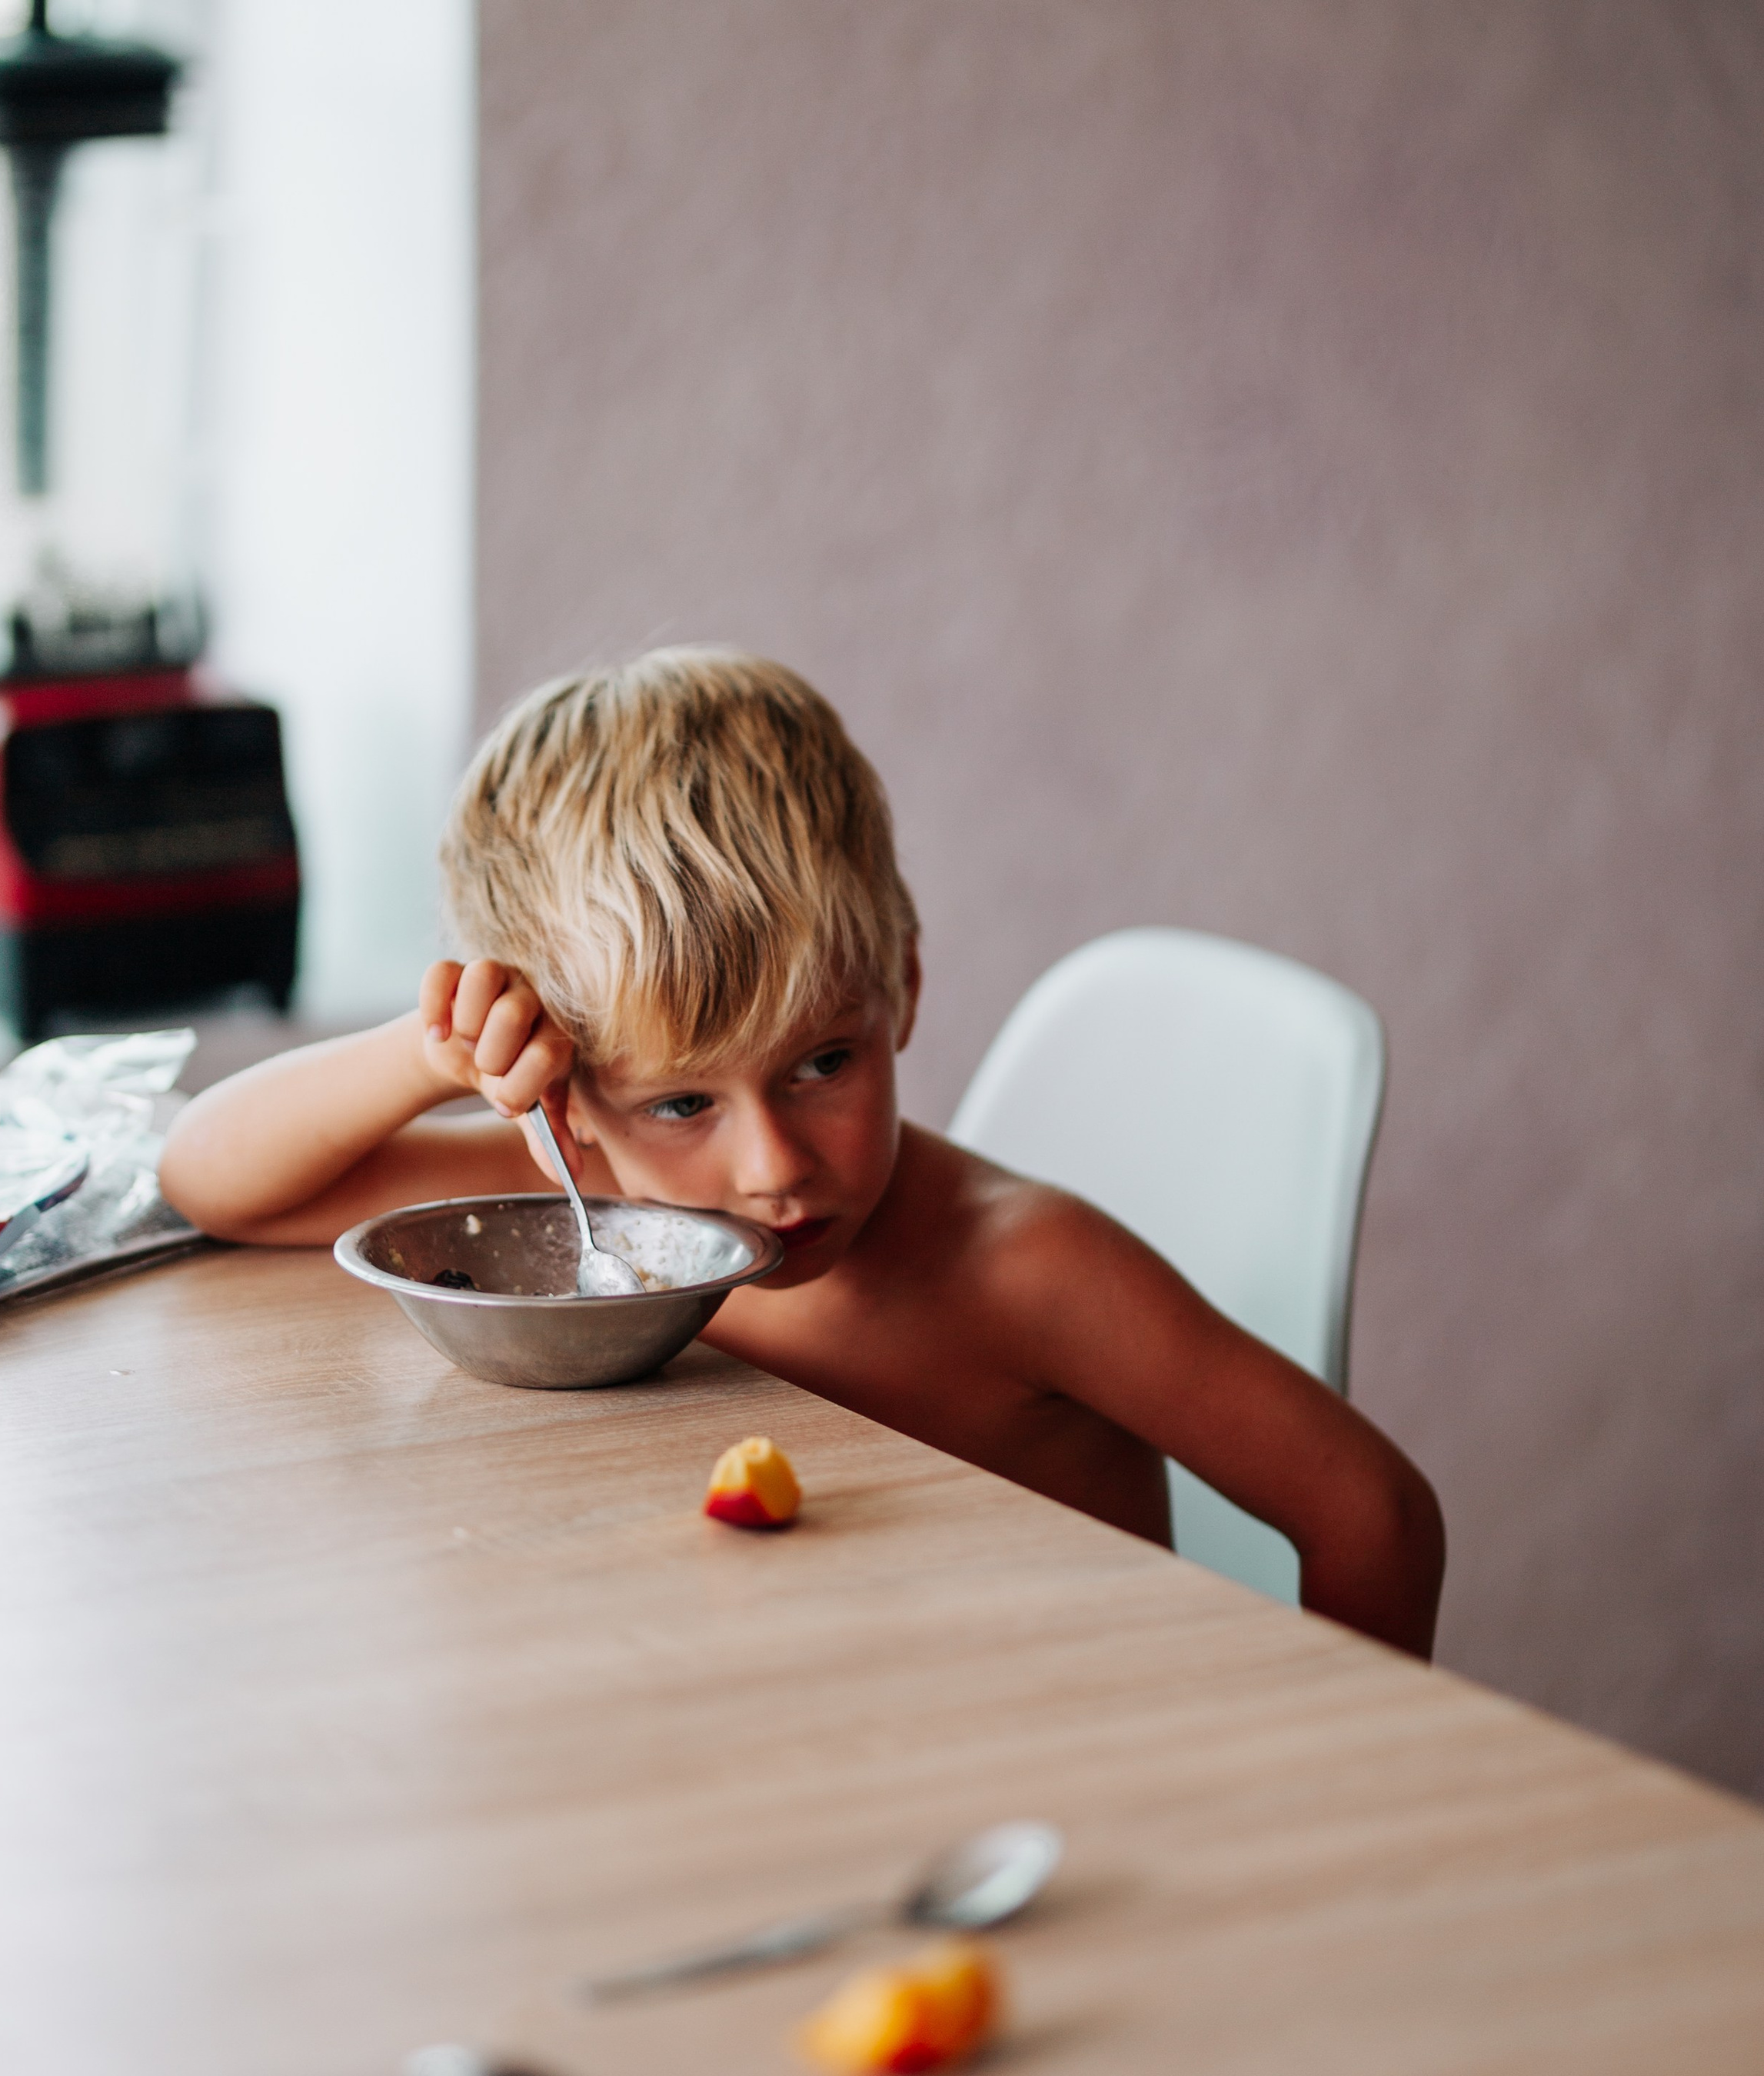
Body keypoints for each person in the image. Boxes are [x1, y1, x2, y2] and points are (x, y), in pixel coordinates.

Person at [160, 648, 1444, 1654]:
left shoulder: (1025, 1272)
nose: (775, 1164)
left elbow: (1372, 1515)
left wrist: (1328, 1783)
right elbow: (208, 1185)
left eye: (824, 1064)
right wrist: (428, 1052)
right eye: (682, 1106)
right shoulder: (570, 1203)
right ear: (569, 1110)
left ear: (904, 992)